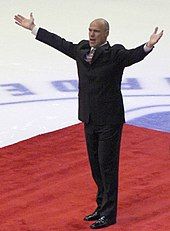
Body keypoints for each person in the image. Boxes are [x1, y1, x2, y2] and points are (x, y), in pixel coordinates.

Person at [14, 13, 163, 229]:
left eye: (96, 31)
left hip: (110, 120)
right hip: (89, 118)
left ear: (106, 34)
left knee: (107, 167)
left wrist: (147, 46)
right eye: (90, 30)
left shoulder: (115, 54)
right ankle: (101, 206)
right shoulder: (82, 49)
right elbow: (60, 43)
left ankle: (109, 214)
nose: (92, 35)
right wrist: (34, 28)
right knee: (95, 166)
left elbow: (133, 56)